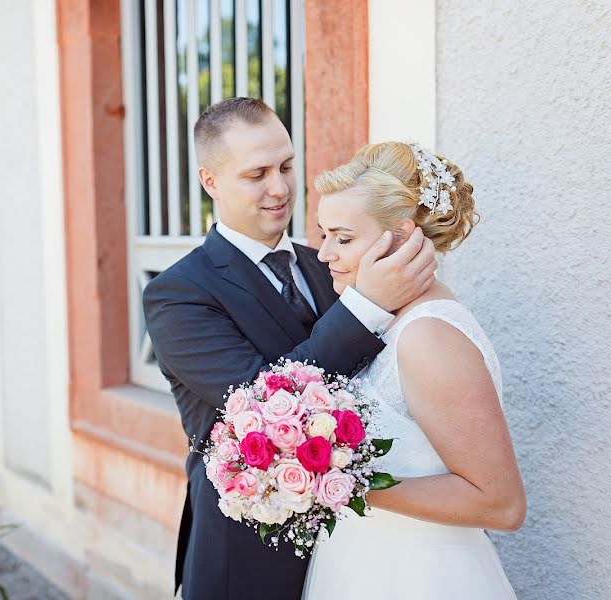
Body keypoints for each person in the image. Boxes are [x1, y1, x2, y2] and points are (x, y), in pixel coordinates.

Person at [142, 98, 437, 599]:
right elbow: (264, 399)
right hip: (249, 554)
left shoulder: (330, 260)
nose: (280, 188)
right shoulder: (177, 294)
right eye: (256, 173)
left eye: (286, 165)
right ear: (210, 181)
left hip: (356, 547)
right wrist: (367, 305)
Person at [302, 141, 526, 599]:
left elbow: (501, 503)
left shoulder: (429, 337)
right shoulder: (384, 321)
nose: (324, 254)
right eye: (324, 235)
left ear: (402, 237)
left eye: (343, 238)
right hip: (363, 567)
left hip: (423, 578)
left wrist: (344, 485)